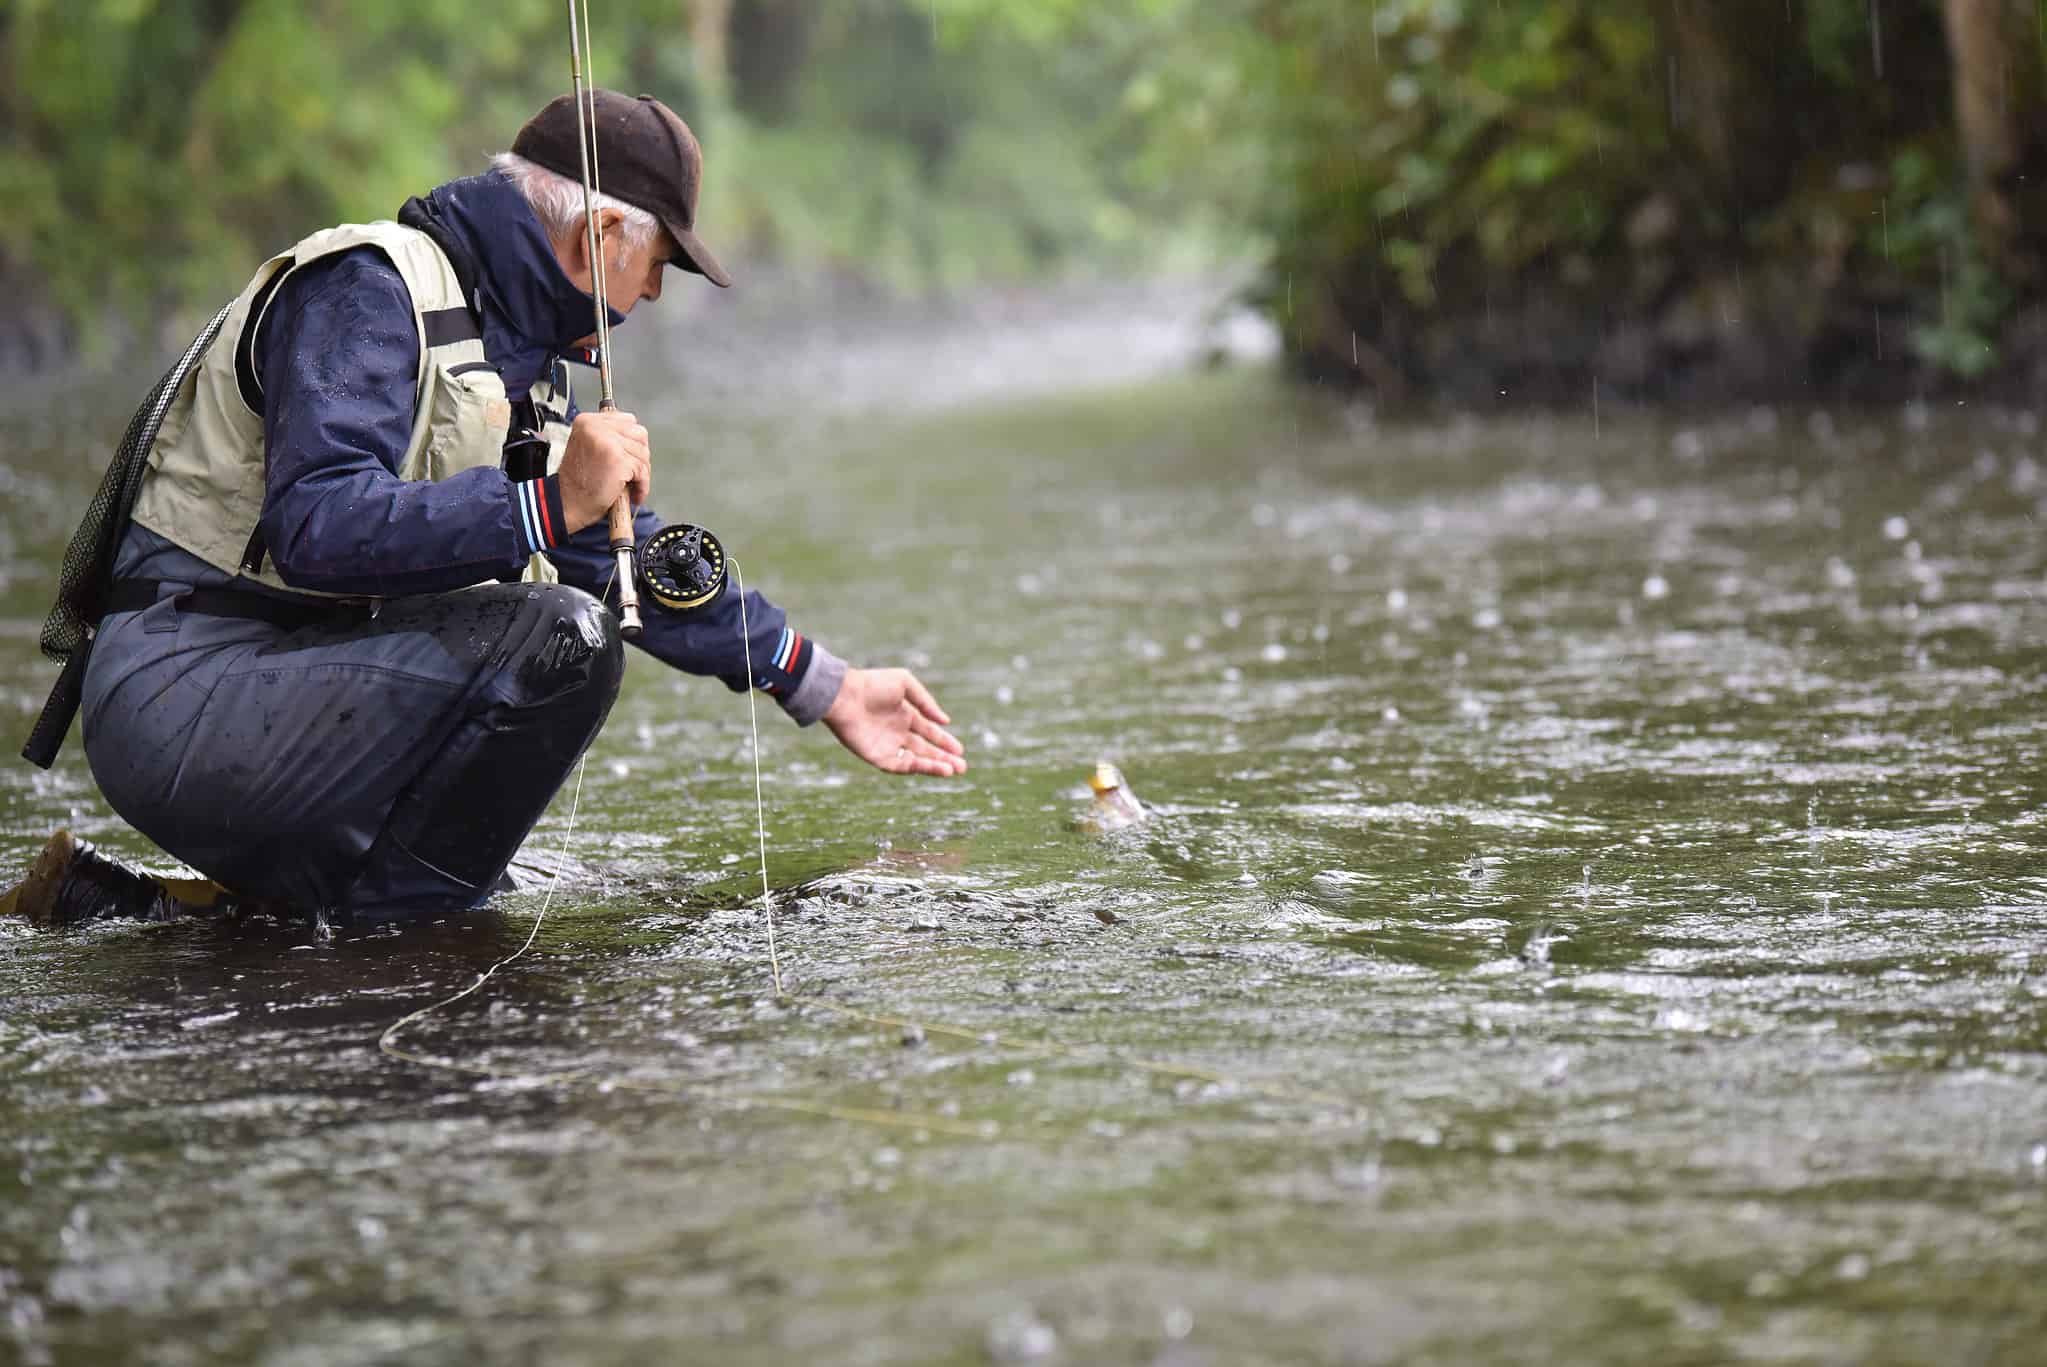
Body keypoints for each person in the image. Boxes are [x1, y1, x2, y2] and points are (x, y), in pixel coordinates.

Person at [8, 90, 966, 928]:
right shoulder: (368, 290)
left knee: (550, 664)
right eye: (659, 263)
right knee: (560, 643)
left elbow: (626, 571)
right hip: (182, 690)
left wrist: (818, 680)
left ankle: (194, 915)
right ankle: (387, 941)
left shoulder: (524, 364)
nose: (651, 293)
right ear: (600, 237)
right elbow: (319, 528)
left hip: (297, 686)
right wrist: (547, 504)